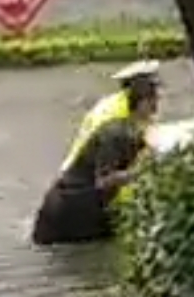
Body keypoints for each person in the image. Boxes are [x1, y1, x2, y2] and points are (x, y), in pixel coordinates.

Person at [31, 67, 160, 246]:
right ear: (143, 103)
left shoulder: (129, 127)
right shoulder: (115, 132)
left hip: (84, 205)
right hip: (71, 210)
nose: (157, 107)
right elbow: (103, 181)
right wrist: (139, 172)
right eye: (154, 101)